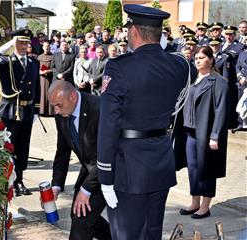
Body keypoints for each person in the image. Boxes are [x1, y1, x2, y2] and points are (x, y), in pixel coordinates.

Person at [97, 4, 189, 239]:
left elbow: (108, 126)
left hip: (129, 168)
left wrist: (105, 175)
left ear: (134, 31)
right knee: (152, 233)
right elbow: (184, 65)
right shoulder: (178, 66)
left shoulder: (118, 67)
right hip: (160, 161)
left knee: (126, 235)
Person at [48, 80, 111, 240]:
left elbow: (107, 154)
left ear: (73, 97)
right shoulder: (62, 114)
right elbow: (62, 151)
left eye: (59, 105)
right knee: (81, 215)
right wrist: (56, 185)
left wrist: (86, 190)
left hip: (112, 170)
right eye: (53, 105)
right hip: (91, 168)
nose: (56, 110)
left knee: (81, 218)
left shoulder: (99, 108)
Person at [173, 46, 229, 219]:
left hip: (206, 134)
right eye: (196, 58)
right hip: (190, 134)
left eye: (202, 57)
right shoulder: (194, 80)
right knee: (193, 170)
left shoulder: (218, 81)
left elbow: (221, 110)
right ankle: (194, 202)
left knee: (207, 170)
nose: (198, 60)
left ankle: (205, 206)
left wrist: (215, 135)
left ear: (211, 60)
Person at [0, 28, 40, 197]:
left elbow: (36, 87)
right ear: (14, 43)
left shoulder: (33, 63)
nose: (24, 46)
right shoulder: (4, 61)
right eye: (20, 42)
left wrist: (36, 109)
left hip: (27, 110)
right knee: (9, 147)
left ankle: (19, 180)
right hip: (10, 110)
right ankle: (6, 181)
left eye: (26, 43)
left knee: (23, 148)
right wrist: (5, 46)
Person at [37, 41, 54, 116]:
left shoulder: (53, 57)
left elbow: (55, 68)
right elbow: (36, 67)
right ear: (43, 47)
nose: (46, 48)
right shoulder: (39, 57)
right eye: (45, 46)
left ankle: (50, 112)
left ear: (50, 47)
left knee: (50, 93)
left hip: (50, 78)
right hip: (42, 78)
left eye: (48, 46)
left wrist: (48, 70)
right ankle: (42, 111)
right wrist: (39, 71)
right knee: (42, 94)